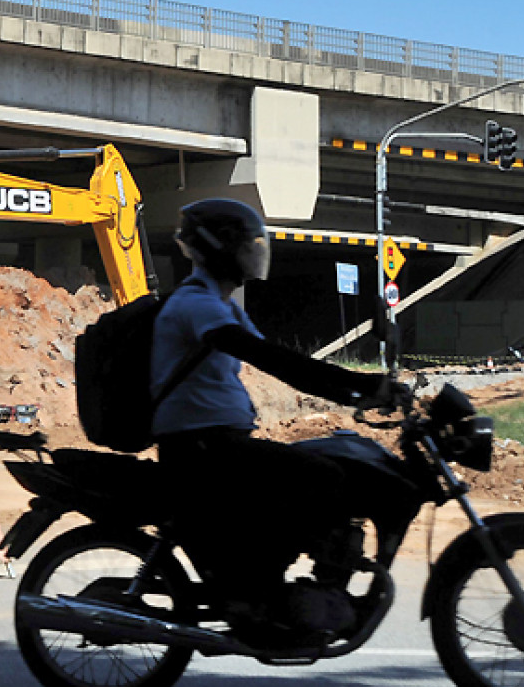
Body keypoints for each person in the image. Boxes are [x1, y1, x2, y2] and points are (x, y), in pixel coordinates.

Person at [150, 198, 404, 645]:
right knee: (321, 476)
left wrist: (359, 391)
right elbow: (272, 360)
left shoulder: (224, 306)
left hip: (217, 441)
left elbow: (281, 362)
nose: (255, 253)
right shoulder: (196, 305)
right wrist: (361, 388)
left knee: (326, 466)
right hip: (200, 446)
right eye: (247, 245)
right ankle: (261, 596)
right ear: (219, 248)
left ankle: (282, 588)